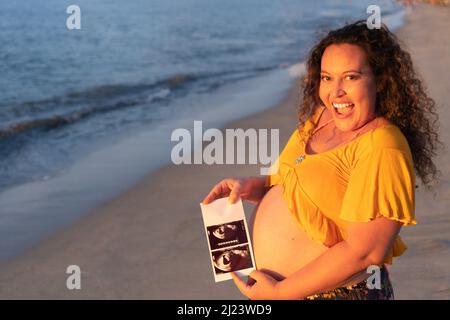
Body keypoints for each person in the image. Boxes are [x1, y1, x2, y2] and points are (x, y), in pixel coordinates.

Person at [202, 20, 441, 300]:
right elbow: (296, 184)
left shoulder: (382, 146)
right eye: (327, 77)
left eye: (351, 77)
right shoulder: (319, 118)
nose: (336, 92)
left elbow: (366, 251)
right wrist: (253, 186)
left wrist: (281, 291)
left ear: (380, 80)